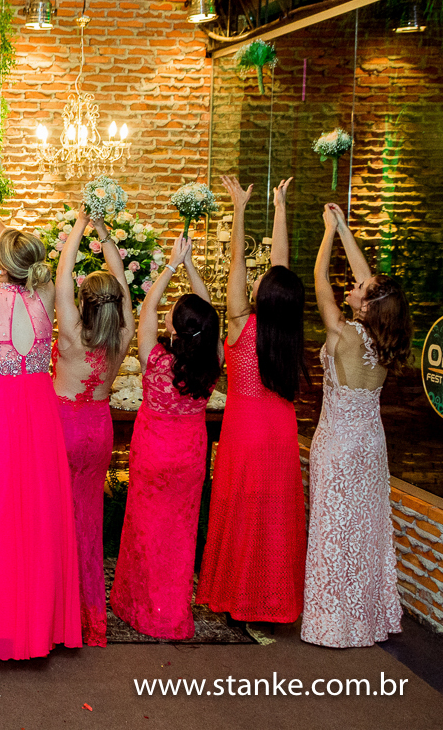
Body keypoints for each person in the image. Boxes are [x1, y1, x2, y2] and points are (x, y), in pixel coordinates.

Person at [0, 195, 82, 660]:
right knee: (38, 507)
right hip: (37, 407)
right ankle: (37, 624)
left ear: (0, 262)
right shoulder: (44, 295)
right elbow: (28, 256)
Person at [197, 175, 309, 625]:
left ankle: (237, 596)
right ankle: (273, 600)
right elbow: (280, 270)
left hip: (243, 433)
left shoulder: (242, 325)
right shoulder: (287, 330)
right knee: (274, 517)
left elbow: (238, 261)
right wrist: (279, 207)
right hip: (280, 432)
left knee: (241, 513)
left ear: (262, 295)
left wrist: (240, 209)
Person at [302, 203, 411, 648]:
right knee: (364, 531)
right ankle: (366, 615)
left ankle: (333, 624)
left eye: (359, 289)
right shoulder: (384, 339)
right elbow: (369, 283)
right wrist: (344, 227)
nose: (353, 285)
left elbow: (320, 282)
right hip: (370, 446)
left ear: (368, 305)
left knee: (331, 528)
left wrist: (327, 237)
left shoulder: (344, 335)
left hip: (337, 445)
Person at [109, 236, 222, 640]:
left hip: (154, 448)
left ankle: (137, 605)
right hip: (189, 453)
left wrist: (174, 265)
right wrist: (192, 267)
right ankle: (171, 609)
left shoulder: (153, 358)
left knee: (144, 526)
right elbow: (210, 317)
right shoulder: (213, 361)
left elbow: (146, 309)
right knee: (179, 531)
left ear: (174, 327)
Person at [52, 205, 134, 647]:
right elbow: (120, 284)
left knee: (57, 520)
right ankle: (89, 617)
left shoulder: (70, 333)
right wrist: (105, 233)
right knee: (88, 519)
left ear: (83, 302)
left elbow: (63, 275)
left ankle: (56, 615)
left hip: (62, 428)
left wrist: (82, 226)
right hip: (98, 432)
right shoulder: (123, 336)